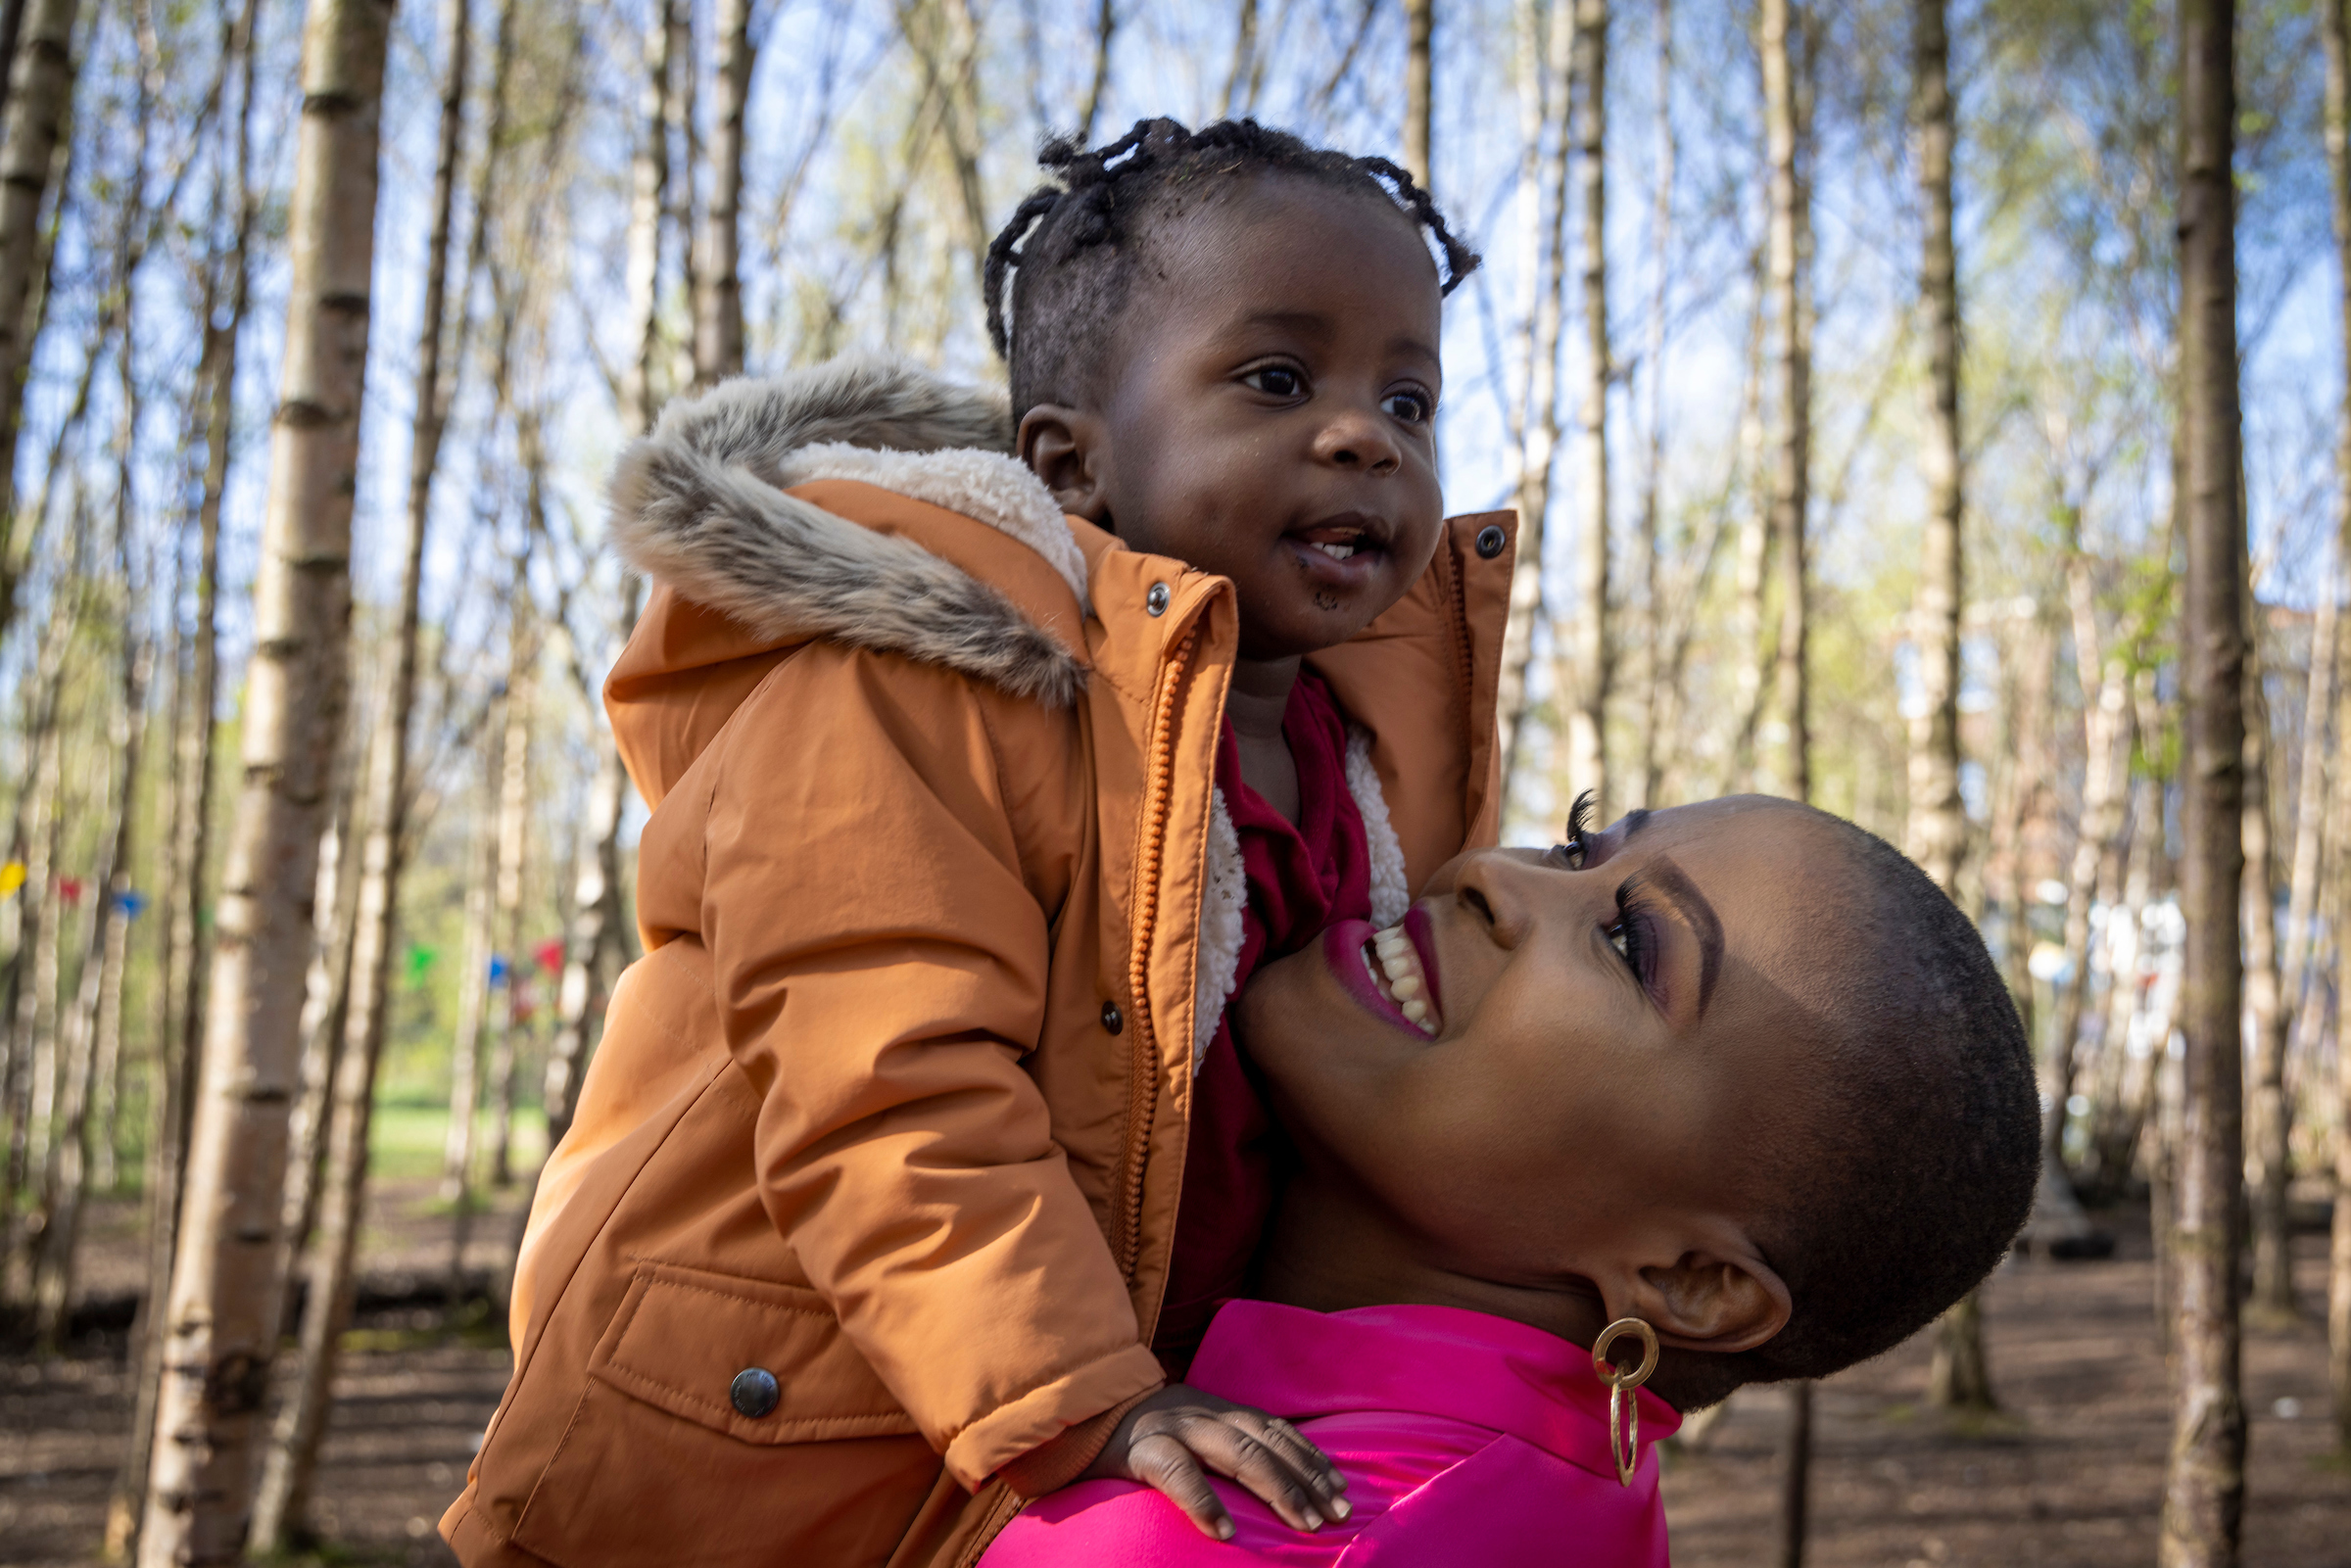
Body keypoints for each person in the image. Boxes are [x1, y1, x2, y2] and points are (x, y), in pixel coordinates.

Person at [441, 118, 1512, 1568]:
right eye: (1277, 377)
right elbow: (883, 1079)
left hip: (1084, 1444)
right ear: (1071, 464)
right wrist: (1080, 1395)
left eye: (1411, 395)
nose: (1365, 432)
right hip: (771, 1438)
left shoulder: (1363, 767)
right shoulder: (924, 675)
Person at [982, 794, 2043, 1565]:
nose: (1496, 871)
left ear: (1688, 1281)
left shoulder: (1221, 1536)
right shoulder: (1562, 1500)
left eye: (1630, 944)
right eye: (1579, 839)